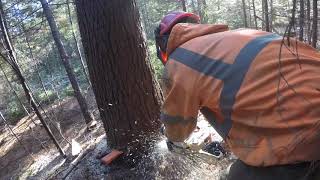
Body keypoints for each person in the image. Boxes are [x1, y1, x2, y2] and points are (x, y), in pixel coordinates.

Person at [155, 12, 320, 180]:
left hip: (305, 133)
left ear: (163, 46)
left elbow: (177, 125)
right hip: (308, 107)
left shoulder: (179, 61)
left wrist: (172, 138)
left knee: (233, 176)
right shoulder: (232, 39)